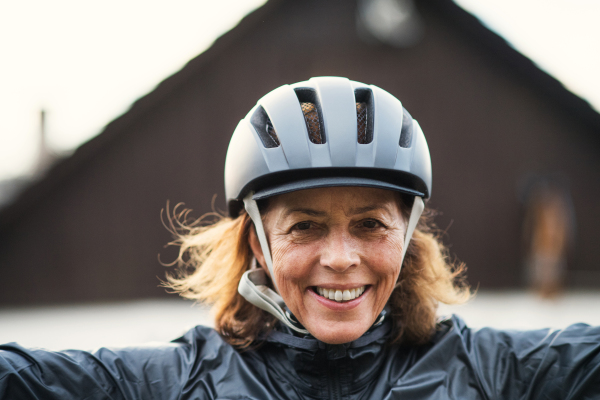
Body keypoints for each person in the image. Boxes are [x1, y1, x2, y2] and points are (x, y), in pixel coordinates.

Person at [1, 77, 599, 399]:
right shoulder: (181, 383)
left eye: (370, 224)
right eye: (305, 226)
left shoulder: (490, 372)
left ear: (408, 235)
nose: (340, 259)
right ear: (259, 244)